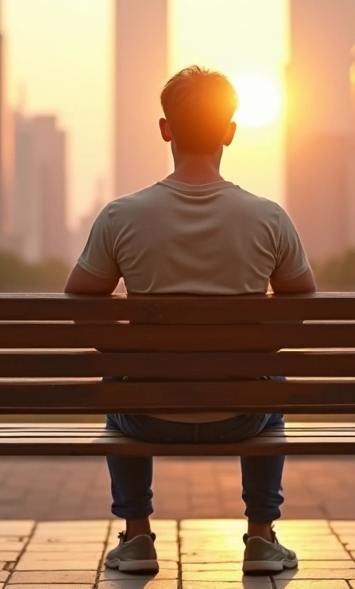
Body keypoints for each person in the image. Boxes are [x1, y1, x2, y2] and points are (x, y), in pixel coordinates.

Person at [64, 66, 314, 576]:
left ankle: (136, 538)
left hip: (146, 412)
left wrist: (125, 352)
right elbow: (301, 307)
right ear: (229, 131)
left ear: (165, 129)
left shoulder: (120, 216)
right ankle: (261, 538)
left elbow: (79, 300)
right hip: (243, 412)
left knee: (120, 381)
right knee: (272, 382)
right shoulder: (268, 218)